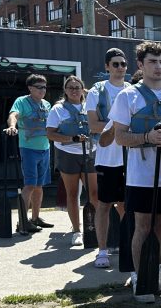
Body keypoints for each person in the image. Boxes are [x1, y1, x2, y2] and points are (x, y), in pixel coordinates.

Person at [108, 42, 161, 302]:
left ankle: (155, 273)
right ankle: (139, 276)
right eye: (152, 62)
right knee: (143, 226)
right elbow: (120, 137)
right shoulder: (128, 96)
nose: (158, 66)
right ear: (141, 66)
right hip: (140, 174)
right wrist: (147, 136)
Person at [86, 48, 131, 268]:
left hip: (130, 158)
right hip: (106, 158)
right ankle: (102, 251)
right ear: (106, 67)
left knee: (126, 206)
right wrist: (118, 124)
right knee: (104, 205)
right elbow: (93, 125)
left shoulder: (133, 90)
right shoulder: (97, 91)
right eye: (115, 64)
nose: (120, 68)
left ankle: (129, 246)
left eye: (123, 64)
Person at [46, 75, 97, 247]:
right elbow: (51, 134)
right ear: (65, 91)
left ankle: (95, 228)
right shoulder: (57, 109)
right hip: (67, 153)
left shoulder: (91, 106)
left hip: (90, 153)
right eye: (71, 88)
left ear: (83, 89)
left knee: (94, 194)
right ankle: (77, 230)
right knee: (73, 193)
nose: (74, 90)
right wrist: (71, 138)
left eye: (77, 87)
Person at [6, 74, 53, 233]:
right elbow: (14, 115)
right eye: (39, 87)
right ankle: (22, 221)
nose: (42, 90)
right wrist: (13, 126)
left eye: (44, 87)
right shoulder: (21, 101)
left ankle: (35, 218)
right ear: (30, 88)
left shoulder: (47, 104)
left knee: (39, 186)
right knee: (30, 185)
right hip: (28, 149)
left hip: (45, 149)